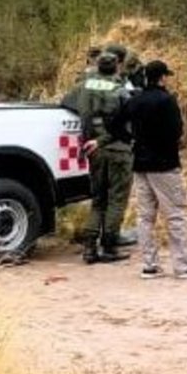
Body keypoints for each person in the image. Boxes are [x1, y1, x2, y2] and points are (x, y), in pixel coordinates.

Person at [124, 60, 187, 280]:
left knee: (145, 217)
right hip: (165, 164)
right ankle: (184, 265)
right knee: (176, 214)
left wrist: (131, 140)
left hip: (140, 164)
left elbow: (116, 123)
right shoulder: (167, 100)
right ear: (162, 78)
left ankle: (149, 264)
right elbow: (177, 131)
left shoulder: (135, 100)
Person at [65, 51, 134, 263]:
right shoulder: (120, 90)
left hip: (92, 148)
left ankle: (89, 248)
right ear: (117, 67)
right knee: (116, 200)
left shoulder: (83, 87)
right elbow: (129, 121)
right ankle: (110, 246)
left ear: (96, 66)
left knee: (98, 200)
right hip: (118, 149)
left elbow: (66, 103)